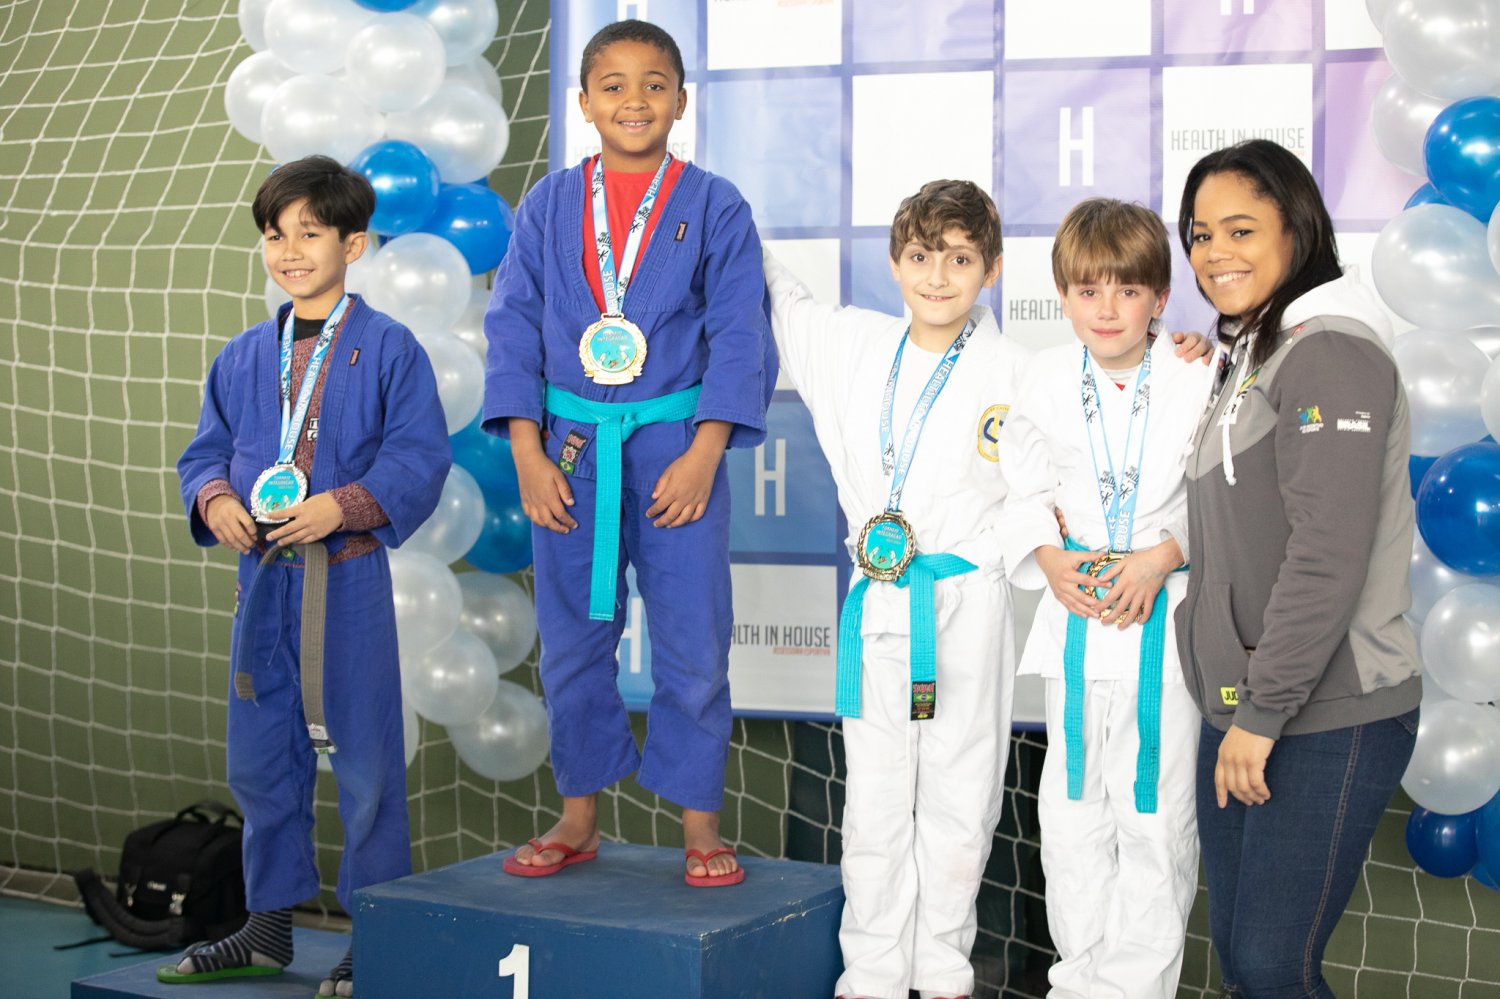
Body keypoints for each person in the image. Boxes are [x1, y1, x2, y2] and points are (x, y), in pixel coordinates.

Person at [482, 19, 774, 887]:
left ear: (682, 101)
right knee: (572, 641)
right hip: (571, 448)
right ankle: (578, 817)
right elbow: (513, 328)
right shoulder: (547, 206)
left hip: (676, 444)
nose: (634, 100)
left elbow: (739, 334)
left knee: (694, 641)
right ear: (583, 102)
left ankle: (700, 825)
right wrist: (528, 452)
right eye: (613, 85)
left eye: (655, 84)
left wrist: (707, 451)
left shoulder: (715, 204)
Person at [171, 156, 451, 996]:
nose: (289, 250)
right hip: (261, 584)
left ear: (353, 244)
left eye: (310, 233)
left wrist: (343, 504)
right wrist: (217, 499)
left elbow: (420, 457)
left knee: (366, 764)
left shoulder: (390, 348)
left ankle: (377, 935)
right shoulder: (241, 357)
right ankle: (266, 927)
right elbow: (204, 453)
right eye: (274, 234)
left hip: (347, 580)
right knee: (261, 759)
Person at [764, 179, 1023, 999]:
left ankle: (942, 967)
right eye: (920, 256)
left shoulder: (1020, 371)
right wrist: (697, 197)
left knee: (961, 795)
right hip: (880, 605)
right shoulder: (853, 345)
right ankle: (872, 971)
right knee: (874, 799)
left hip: (965, 601)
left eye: (960, 259)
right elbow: (778, 292)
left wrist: (1184, 350)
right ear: (893, 262)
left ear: (992, 269)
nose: (937, 276)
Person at [1176, 139, 1421, 998]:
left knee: (1273, 967)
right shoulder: (1254, 352)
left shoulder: (1331, 351)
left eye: (1241, 229)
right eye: (1200, 234)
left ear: (1298, 229)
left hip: (1324, 712)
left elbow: (1326, 555)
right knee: (1246, 964)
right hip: (1245, 707)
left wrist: (1263, 712)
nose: (1215, 252)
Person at [998, 198, 1214, 999]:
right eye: (1088, 291)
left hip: (1163, 623)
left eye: (1128, 290)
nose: (1108, 308)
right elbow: (1022, 489)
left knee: (1154, 817)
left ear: (1161, 296)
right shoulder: (1044, 376)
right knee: (1071, 814)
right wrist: (1049, 559)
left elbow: (1224, 495)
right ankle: (1076, 981)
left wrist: (1162, 555)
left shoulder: (1200, 373)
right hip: (1078, 622)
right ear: (1062, 295)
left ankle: (1134, 989)